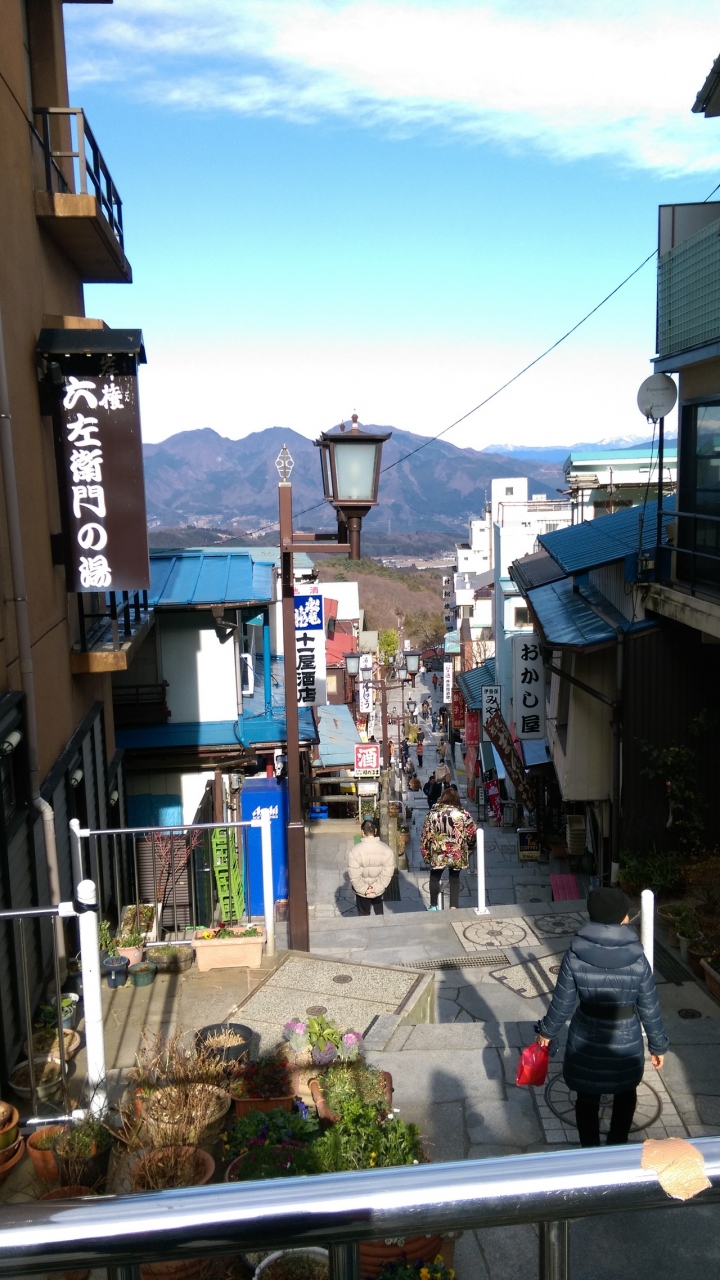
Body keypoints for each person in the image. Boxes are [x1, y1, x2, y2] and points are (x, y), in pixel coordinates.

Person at [536, 887, 669, 1147]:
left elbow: (563, 1003)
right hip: (626, 1035)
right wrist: (658, 1046)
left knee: (587, 1095)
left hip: (586, 1033)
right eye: (626, 914)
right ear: (621, 918)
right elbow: (649, 1006)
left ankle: (590, 1149)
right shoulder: (637, 957)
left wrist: (546, 1032)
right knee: (625, 1091)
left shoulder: (575, 953)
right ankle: (617, 1143)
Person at [420, 785, 476, 910]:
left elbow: (425, 835)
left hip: (437, 852)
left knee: (435, 876)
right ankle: (453, 907)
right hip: (457, 852)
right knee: (454, 878)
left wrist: (425, 853)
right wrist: (470, 848)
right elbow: (472, 833)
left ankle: (434, 905)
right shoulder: (463, 814)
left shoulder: (433, 814)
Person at [348, 819, 395, 916]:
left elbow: (354, 875)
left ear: (362, 832)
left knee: (364, 917)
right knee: (379, 915)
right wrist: (377, 888)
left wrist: (364, 889)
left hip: (362, 892)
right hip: (378, 890)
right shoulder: (387, 850)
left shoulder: (355, 851)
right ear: (376, 831)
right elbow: (387, 874)